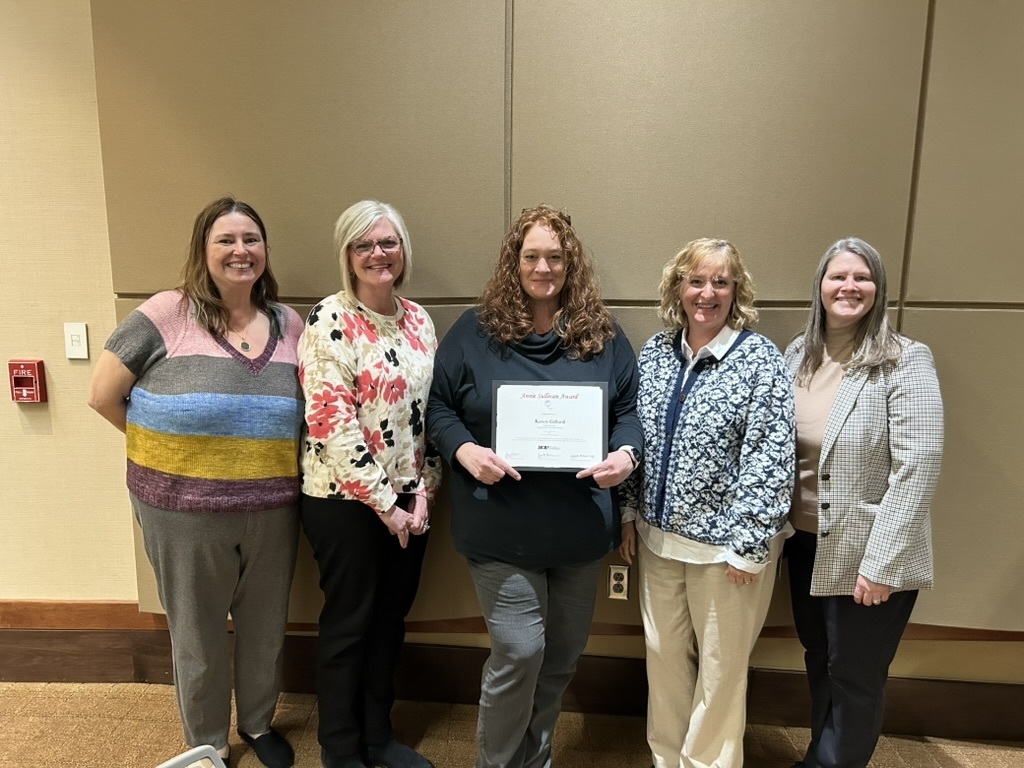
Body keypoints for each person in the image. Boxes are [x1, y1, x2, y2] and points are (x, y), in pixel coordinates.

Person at [88, 197, 303, 768]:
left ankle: (258, 723)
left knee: (265, 627)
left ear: (265, 250)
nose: (240, 250)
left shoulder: (291, 324)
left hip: (275, 506)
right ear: (202, 250)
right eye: (225, 239)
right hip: (182, 510)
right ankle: (207, 741)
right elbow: (102, 395)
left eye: (251, 239)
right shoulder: (166, 314)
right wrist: (164, 454)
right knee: (198, 633)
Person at [427, 204, 643, 768]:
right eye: (531, 256)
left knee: (561, 659)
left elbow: (628, 410)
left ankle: (535, 758)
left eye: (555, 256)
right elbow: (438, 407)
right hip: (502, 526)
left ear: (570, 262)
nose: (543, 267)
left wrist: (626, 454)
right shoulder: (475, 331)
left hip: (578, 530)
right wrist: (465, 450)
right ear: (513, 262)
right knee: (520, 652)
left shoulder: (602, 334)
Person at [619, 238, 796, 768]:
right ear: (678, 287)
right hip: (657, 542)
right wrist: (629, 512)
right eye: (696, 280)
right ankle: (666, 759)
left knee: (720, 674)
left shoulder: (759, 359)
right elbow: (634, 437)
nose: (707, 293)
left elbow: (770, 457)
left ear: (735, 290)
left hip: (726, 555)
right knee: (664, 661)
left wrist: (749, 545)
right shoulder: (655, 352)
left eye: (720, 281)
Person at [784, 237, 943, 768]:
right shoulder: (796, 357)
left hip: (869, 555)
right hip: (805, 543)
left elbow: (918, 467)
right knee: (820, 660)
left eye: (862, 277)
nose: (849, 287)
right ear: (820, 287)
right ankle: (822, 756)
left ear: (879, 289)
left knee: (854, 673)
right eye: (838, 276)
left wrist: (881, 565)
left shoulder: (903, 360)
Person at [298, 200, 441, 768]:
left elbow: (428, 415)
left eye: (388, 242)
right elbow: (330, 419)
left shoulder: (420, 320)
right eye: (365, 245)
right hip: (344, 502)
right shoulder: (328, 318)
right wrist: (386, 504)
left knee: (389, 623)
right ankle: (340, 749)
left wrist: (424, 489)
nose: (378, 254)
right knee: (350, 624)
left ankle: (378, 738)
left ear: (403, 250)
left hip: (411, 500)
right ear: (348, 256)